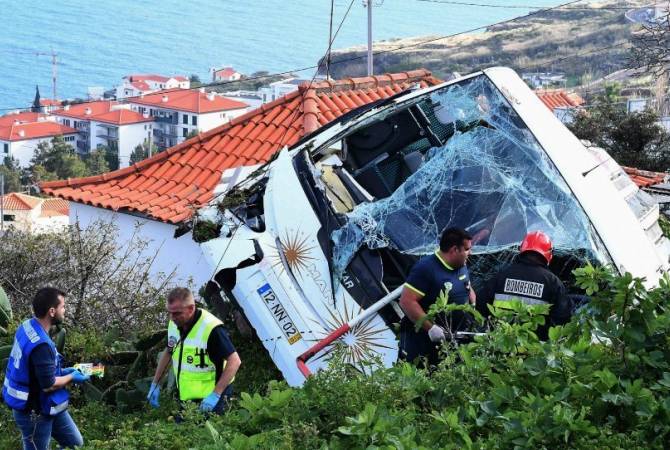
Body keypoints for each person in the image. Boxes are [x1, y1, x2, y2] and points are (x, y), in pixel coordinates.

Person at [3, 287, 90, 450]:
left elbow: (36, 371)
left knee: (75, 443)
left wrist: (66, 371)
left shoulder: (27, 326)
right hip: (34, 412)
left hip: (47, 404)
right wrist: (72, 377)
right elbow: (48, 384)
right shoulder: (42, 345)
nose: (65, 310)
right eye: (63, 306)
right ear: (52, 311)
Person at [147, 287, 241, 414]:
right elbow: (169, 351)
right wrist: (156, 383)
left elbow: (234, 361)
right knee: (183, 432)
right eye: (170, 312)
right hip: (187, 396)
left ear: (191, 308)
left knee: (210, 433)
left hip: (213, 395)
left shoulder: (211, 328)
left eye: (177, 313)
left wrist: (216, 394)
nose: (172, 317)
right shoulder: (174, 323)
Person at [399, 227, 476, 366]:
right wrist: (430, 328)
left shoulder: (461, 264)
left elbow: (466, 285)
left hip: (451, 340)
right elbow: (406, 301)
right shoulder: (426, 269)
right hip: (422, 342)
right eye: (466, 249)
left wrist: (472, 303)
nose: (470, 252)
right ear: (454, 250)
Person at [476, 230, 573, 339]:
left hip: (501, 344)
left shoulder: (502, 275)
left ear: (522, 249)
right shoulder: (553, 283)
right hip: (535, 350)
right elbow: (562, 320)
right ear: (549, 255)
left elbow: (480, 305)